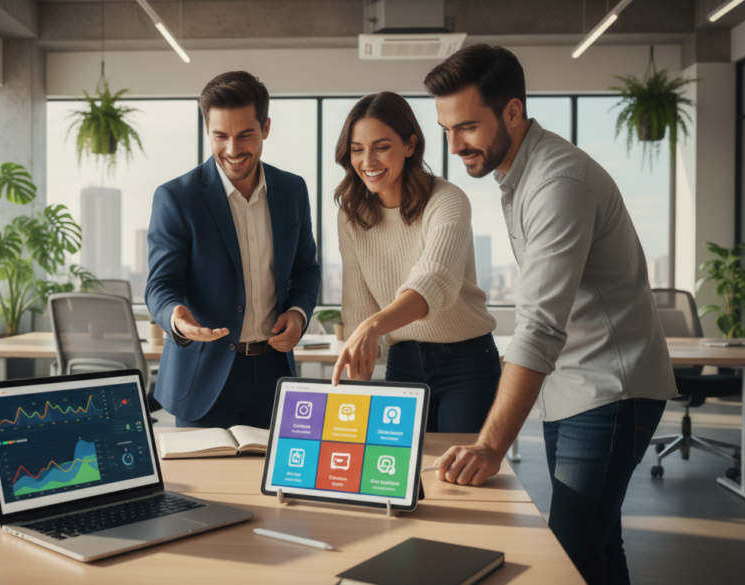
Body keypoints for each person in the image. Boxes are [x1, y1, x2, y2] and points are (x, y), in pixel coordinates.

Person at [423, 45, 676, 585]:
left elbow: (538, 325)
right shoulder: (521, 174)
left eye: (467, 126)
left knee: (567, 559)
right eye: (446, 129)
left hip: (609, 390)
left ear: (512, 111)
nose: (455, 145)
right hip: (577, 388)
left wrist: (491, 445)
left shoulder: (557, 183)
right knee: (599, 551)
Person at [145, 71, 320, 430]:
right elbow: (161, 284)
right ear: (207, 130)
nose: (232, 150)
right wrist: (176, 318)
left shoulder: (292, 190)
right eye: (220, 136)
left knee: (276, 470)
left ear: (265, 128)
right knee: (205, 472)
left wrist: (298, 313)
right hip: (203, 377)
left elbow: (306, 269)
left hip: (274, 373)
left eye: (245, 135)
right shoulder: (177, 198)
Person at [329, 92, 500, 434]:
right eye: (357, 149)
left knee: (457, 466)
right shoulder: (351, 216)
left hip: (466, 363)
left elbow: (433, 282)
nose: (367, 161)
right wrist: (356, 399)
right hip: (403, 362)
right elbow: (359, 309)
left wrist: (372, 327)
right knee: (398, 465)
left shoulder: (447, 200)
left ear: (410, 145)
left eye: (381, 147)